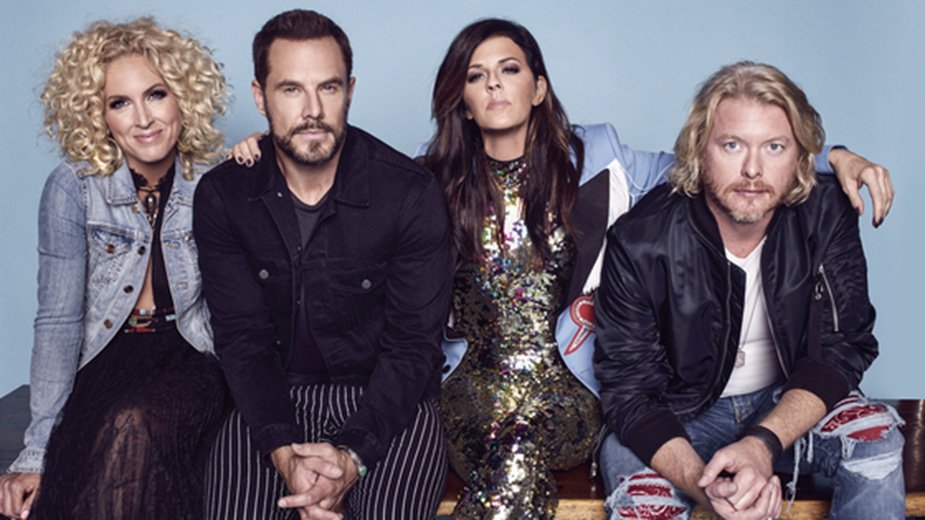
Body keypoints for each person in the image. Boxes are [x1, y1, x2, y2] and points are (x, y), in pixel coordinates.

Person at [228, 19, 894, 518]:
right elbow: (339, 164)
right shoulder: (426, 181)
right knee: (505, 443)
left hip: (571, 387)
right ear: (460, 98)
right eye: (475, 75)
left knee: (520, 447)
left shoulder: (601, 157)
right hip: (470, 389)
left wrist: (830, 157)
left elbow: (721, 168)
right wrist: (274, 146)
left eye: (509, 68)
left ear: (539, 87)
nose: (494, 84)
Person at [593, 61, 905, 520]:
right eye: (732, 145)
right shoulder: (640, 239)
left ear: (800, 156)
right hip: (676, 417)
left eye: (774, 147)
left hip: (785, 404)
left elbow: (843, 347)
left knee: (874, 439)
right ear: (699, 151)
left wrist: (762, 444)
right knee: (646, 501)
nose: (753, 169)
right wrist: (708, 490)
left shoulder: (826, 212)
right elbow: (630, 392)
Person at [194, 9, 452, 520]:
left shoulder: (409, 193)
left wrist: (352, 457)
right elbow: (243, 341)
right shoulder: (224, 196)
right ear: (260, 96)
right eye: (291, 89)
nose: (312, 110)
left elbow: (412, 348)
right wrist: (284, 454)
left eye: (328, 88)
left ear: (349, 91)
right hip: (271, 397)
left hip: (386, 400)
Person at [0, 18, 229, 520]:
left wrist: (260, 153)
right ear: (97, 115)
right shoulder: (74, 187)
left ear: (183, 97)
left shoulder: (215, 183)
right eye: (119, 103)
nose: (143, 118)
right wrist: (35, 451)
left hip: (189, 353)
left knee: (135, 422)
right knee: (94, 443)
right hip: (104, 356)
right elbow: (58, 321)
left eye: (156, 95)